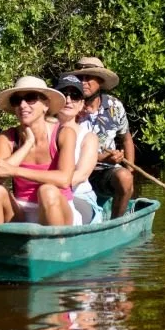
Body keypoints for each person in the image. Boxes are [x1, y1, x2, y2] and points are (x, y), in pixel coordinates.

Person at [0, 76, 81, 226]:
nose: (23, 105)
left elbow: (64, 180)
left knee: (47, 191)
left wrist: (14, 171)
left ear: (45, 105)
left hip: (56, 207)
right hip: (20, 212)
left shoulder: (64, 133)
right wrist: (27, 144)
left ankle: (58, 247)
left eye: (30, 98)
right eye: (17, 100)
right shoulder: (7, 137)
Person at [74, 55, 137, 217]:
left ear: (100, 81)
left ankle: (116, 222)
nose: (83, 82)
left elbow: (126, 138)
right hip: (74, 171)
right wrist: (102, 158)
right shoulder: (69, 105)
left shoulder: (114, 106)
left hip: (104, 172)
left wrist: (129, 170)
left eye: (89, 78)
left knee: (125, 178)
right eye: (80, 77)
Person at [55, 74, 103, 225]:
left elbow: (81, 175)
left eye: (74, 96)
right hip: (43, 193)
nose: (68, 100)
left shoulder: (88, 137)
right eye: (64, 95)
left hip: (79, 196)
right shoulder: (43, 132)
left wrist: (47, 187)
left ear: (82, 103)